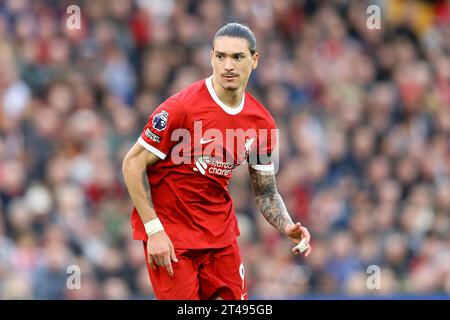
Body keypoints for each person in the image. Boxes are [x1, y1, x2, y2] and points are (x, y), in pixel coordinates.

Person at [122, 22, 312, 300]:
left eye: (238, 57)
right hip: (173, 237)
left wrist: (286, 225)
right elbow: (132, 164)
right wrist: (154, 231)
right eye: (221, 56)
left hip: (220, 237)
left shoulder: (262, 123)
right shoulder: (180, 108)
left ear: (255, 60)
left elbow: (266, 191)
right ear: (211, 57)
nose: (228, 66)